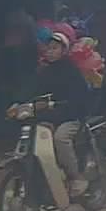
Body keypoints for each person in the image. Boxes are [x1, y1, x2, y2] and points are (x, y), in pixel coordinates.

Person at [27, 32, 91, 194]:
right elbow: (32, 92)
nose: (50, 52)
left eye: (54, 48)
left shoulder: (71, 71)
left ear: (64, 50)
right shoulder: (43, 72)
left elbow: (80, 97)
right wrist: (18, 104)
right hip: (49, 118)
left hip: (71, 117)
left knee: (60, 138)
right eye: (48, 48)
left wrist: (58, 105)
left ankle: (76, 178)